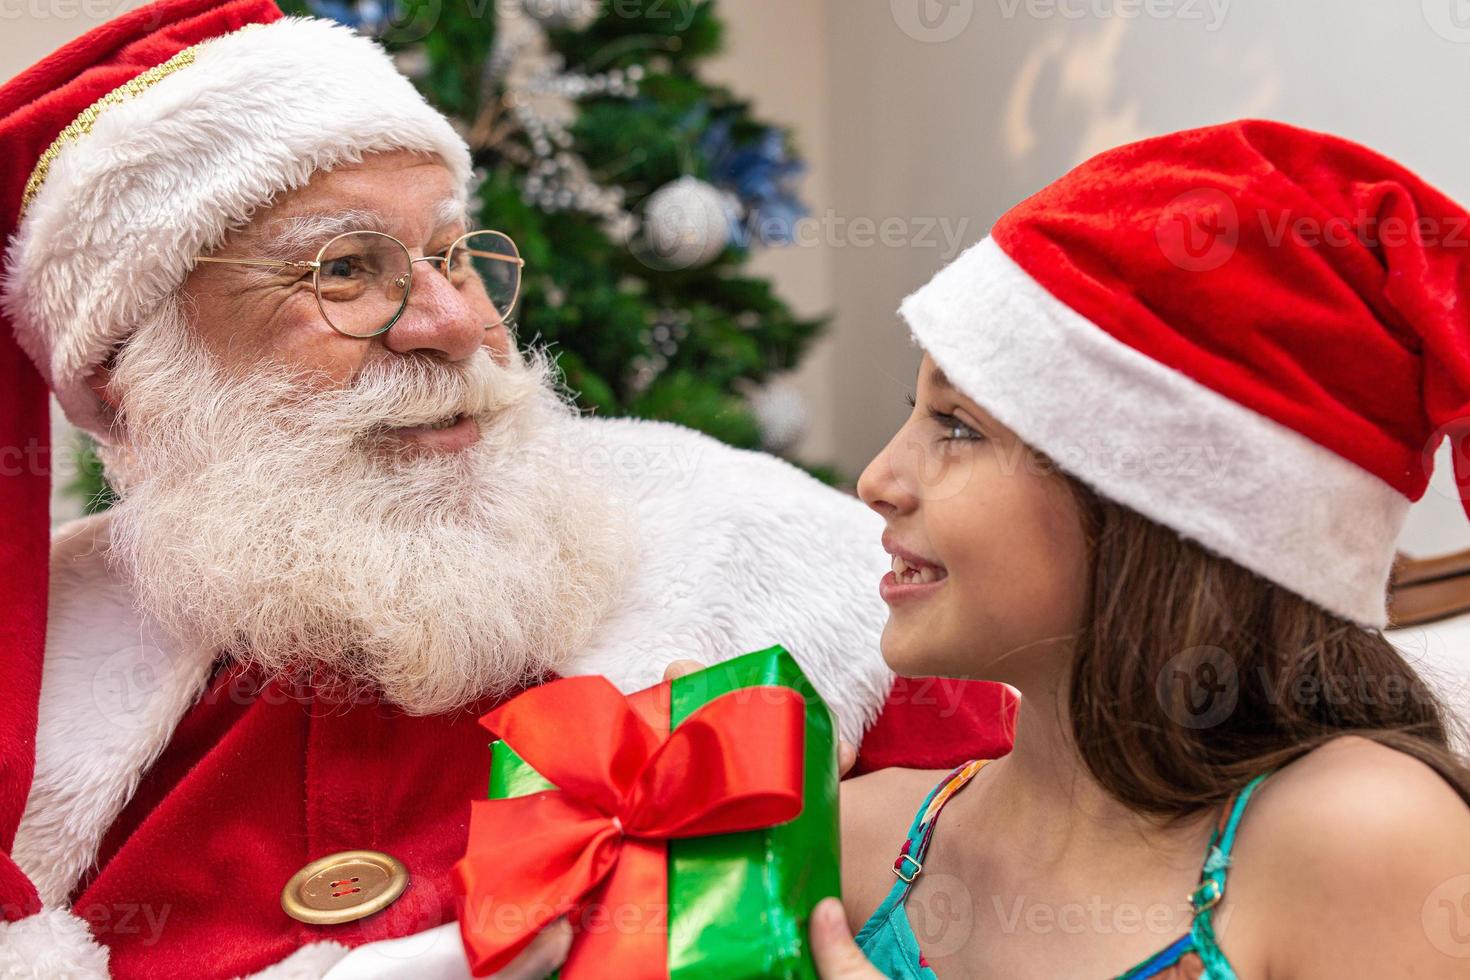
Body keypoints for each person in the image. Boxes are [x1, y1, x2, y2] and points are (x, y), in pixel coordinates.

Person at [0, 1, 1013, 975]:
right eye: (346, 269)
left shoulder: (781, 566)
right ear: (134, 385)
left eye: (454, 254)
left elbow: (1060, 881)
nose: (450, 322)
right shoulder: (40, 689)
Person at [798, 119, 1470, 978]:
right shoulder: (858, 845)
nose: (878, 478)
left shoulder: (1363, 837)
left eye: (958, 426)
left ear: (1151, 509)